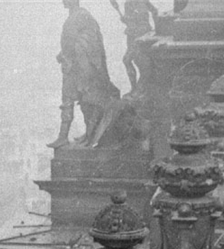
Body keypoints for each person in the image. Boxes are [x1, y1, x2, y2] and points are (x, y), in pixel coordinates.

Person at [48, 0, 120, 149]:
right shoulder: (75, 16)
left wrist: (68, 54)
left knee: (82, 101)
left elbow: (85, 42)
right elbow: (70, 42)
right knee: (73, 100)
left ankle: (86, 134)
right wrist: (63, 54)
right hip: (73, 66)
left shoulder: (81, 16)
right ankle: (70, 136)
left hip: (81, 68)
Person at [115, 0, 158, 96]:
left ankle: (138, 88)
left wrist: (157, 29)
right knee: (129, 60)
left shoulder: (142, 1)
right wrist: (126, 20)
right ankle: (135, 88)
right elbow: (131, 22)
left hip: (141, 36)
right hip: (132, 36)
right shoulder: (128, 3)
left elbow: (154, 11)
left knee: (132, 61)